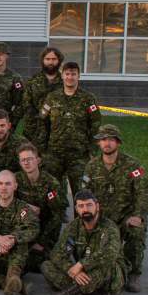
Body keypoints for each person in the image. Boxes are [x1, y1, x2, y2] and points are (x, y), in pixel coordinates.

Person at [83, 124, 148, 293]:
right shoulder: (92, 167)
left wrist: (138, 216)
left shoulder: (132, 165)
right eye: (103, 139)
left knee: (136, 231)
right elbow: (84, 194)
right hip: (102, 218)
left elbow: (143, 194)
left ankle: (134, 273)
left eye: (111, 139)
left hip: (125, 217)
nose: (107, 143)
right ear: (98, 143)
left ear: (118, 143)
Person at [43, 190, 125, 295]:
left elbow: (110, 253)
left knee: (105, 266)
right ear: (76, 209)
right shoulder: (73, 226)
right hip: (82, 272)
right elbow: (57, 253)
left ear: (97, 206)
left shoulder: (109, 227)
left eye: (89, 205)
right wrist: (72, 269)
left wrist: (81, 265)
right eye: (81, 206)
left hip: (110, 275)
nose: (85, 209)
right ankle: (95, 294)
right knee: (47, 266)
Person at [35, 61, 101, 197]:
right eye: (67, 74)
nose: (70, 77)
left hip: (79, 155)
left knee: (81, 192)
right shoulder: (52, 97)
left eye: (73, 74)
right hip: (54, 153)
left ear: (79, 76)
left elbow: (95, 125)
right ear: (62, 75)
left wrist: (92, 152)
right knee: (54, 192)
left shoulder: (88, 99)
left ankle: (81, 218)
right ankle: (58, 218)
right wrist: (41, 150)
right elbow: (42, 123)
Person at [14, 143, 66, 272]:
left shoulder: (51, 183)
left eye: (30, 159)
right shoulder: (16, 180)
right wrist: (25, 206)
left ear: (38, 160)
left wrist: (42, 242)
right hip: (23, 228)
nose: (26, 163)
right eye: (23, 160)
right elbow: (6, 203)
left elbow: (57, 215)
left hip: (45, 230)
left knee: (36, 262)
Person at [21, 46, 63, 141]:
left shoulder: (65, 82)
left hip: (59, 133)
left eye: (54, 59)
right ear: (42, 60)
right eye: (47, 59)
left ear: (59, 61)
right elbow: (26, 105)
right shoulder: (33, 81)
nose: (51, 62)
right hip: (35, 132)